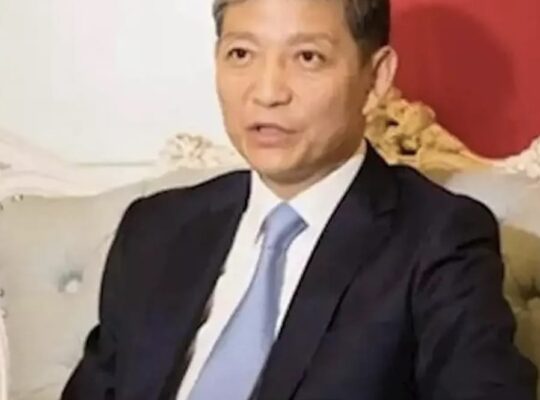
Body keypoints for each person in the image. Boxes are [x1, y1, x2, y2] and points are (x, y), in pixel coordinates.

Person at [62, 0, 537, 399]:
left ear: (375, 79)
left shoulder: (439, 238)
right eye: (241, 54)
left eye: (308, 57)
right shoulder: (157, 227)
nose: (267, 92)